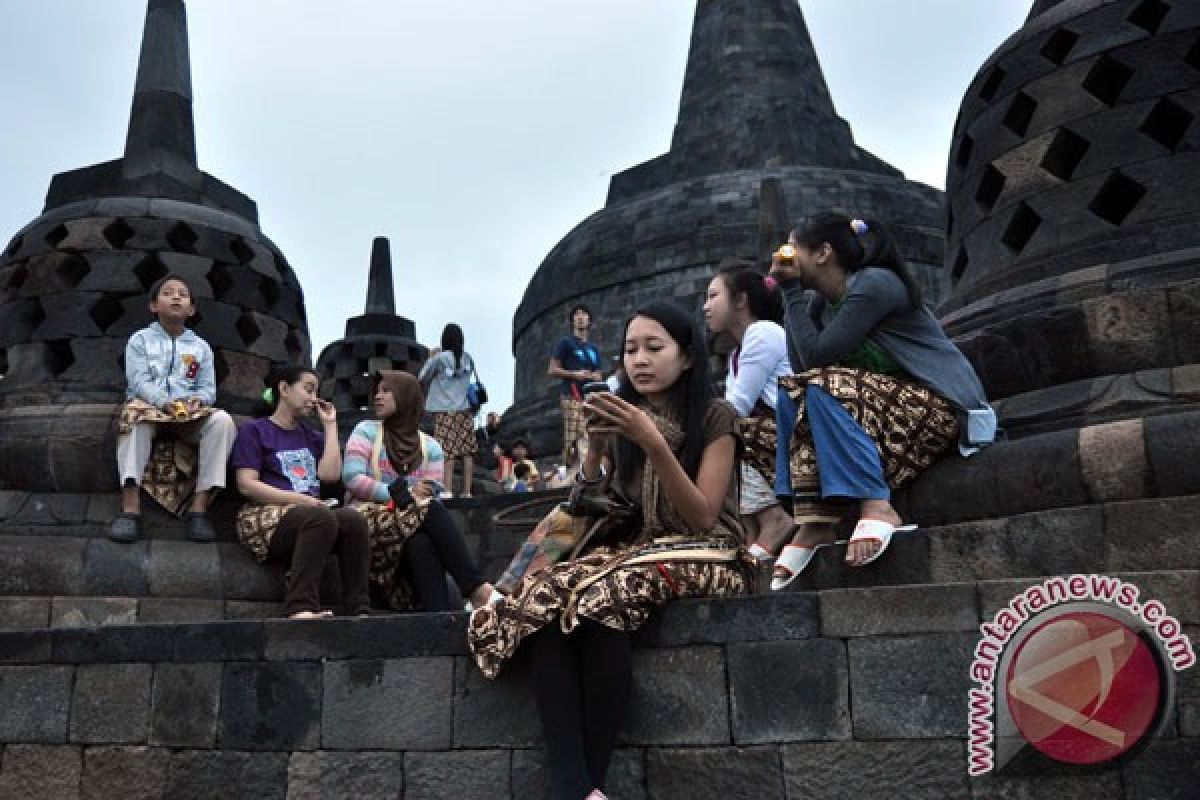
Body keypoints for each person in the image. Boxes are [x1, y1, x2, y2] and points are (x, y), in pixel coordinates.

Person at [469, 300, 750, 800]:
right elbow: (598, 506)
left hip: (710, 551)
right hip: (636, 547)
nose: (639, 360)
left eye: (654, 348)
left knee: (601, 599)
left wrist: (654, 444)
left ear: (686, 357)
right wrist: (597, 452)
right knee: (544, 598)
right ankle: (576, 788)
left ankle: (581, 784)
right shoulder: (625, 417)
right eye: (630, 349)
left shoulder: (716, 417)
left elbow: (703, 515)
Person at [769, 212, 997, 587]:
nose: (786, 258)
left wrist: (791, 291)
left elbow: (817, 361)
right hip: (884, 417)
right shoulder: (821, 306)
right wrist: (791, 297)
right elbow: (800, 368)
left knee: (819, 383)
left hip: (937, 409)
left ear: (823, 252)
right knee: (789, 396)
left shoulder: (875, 284)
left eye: (794, 249)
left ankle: (877, 504)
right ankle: (814, 522)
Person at [342, 370, 498, 612]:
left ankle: (439, 620)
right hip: (365, 522)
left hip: (408, 526)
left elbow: (430, 492)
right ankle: (476, 588)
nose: (377, 397)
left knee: (421, 543)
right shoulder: (366, 431)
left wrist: (412, 496)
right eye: (377, 391)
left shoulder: (431, 447)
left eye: (386, 390)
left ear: (406, 397)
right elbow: (352, 477)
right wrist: (395, 493)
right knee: (430, 510)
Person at [230, 365, 370, 619]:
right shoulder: (255, 430)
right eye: (308, 389)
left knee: (353, 520)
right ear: (284, 389)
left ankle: (358, 609)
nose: (314, 398)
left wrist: (330, 426)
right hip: (264, 515)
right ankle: (299, 606)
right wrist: (301, 500)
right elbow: (247, 484)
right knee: (320, 517)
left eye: (316, 391)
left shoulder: (310, 435)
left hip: (309, 514)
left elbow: (330, 475)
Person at [110, 274, 236, 543]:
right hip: (150, 407)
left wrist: (198, 401)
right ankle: (130, 508)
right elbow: (138, 380)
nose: (176, 297)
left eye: (183, 293)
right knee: (132, 417)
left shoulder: (201, 347)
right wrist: (163, 402)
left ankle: (199, 509)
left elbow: (208, 389)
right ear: (154, 305)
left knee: (222, 421)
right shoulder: (140, 340)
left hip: (187, 414)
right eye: (168, 293)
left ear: (191, 308)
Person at [702, 262, 795, 567]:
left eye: (713, 296)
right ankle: (752, 530)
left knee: (732, 430)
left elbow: (736, 407)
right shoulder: (736, 353)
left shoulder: (763, 333)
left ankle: (775, 520)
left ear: (740, 300)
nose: (706, 306)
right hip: (774, 437)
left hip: (793, 434)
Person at [418, 324, 478, 498]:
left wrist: (431, 357)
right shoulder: (468, 358)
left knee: (447, 451)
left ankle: (448, 490)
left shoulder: (440, 358)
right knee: (467, 452)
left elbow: (422, 377)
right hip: (465, 409)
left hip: (445, 411)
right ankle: (467, 491)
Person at [548, 303, 604, 468]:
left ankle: (584, 472)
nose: (580, 317)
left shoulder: (593, 348)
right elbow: (552, 369)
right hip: (571, 394)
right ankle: (575, 472)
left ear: (589, 320)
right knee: (575, 436)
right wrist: (574, 374)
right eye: (577, 315)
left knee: (588, 433)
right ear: (572, 321)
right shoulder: (565, 343)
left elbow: (599, 373)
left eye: (584, 314)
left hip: (589, 396)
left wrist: (593, 377)